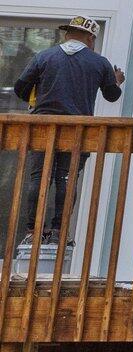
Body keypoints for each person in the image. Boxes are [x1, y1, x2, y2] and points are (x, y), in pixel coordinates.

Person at [11, 16, 124, 243]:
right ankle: (58, 231)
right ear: (90, 38)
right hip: (77, 129)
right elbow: (111, 96)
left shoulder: (44, 56)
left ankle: (34, 230)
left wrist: (35, 101)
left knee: (39, 177)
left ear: (67, 34)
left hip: (42, 126)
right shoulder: (99, 62)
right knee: (66, 177)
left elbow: (20, 88)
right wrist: (117, 80)